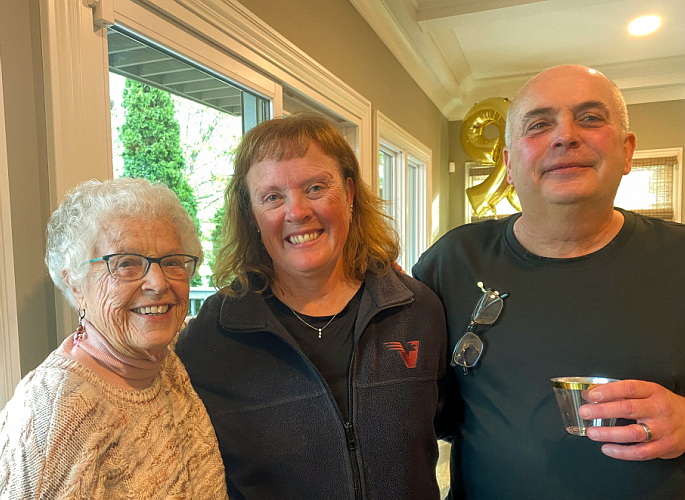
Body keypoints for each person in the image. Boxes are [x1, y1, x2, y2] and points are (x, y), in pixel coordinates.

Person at [413, 65, 685, 499]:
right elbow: (418, 402)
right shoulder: (452, 261)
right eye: (539, 124)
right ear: (508, 164)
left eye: (590, 118)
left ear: (627, 150)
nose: (565, 136)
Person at [176, 112, 447, 500]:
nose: (297, 212)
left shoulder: (416, 311)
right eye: (273, 197)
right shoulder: (213, 334)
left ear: (349, 194)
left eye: (315, 187)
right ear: (252, 215)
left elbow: (452, 422)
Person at [0, 178, 228, 499]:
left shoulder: (167, 365)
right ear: (76, 285)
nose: (158, 283)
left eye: (172, 262)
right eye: (126, 264)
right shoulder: (55, 413)